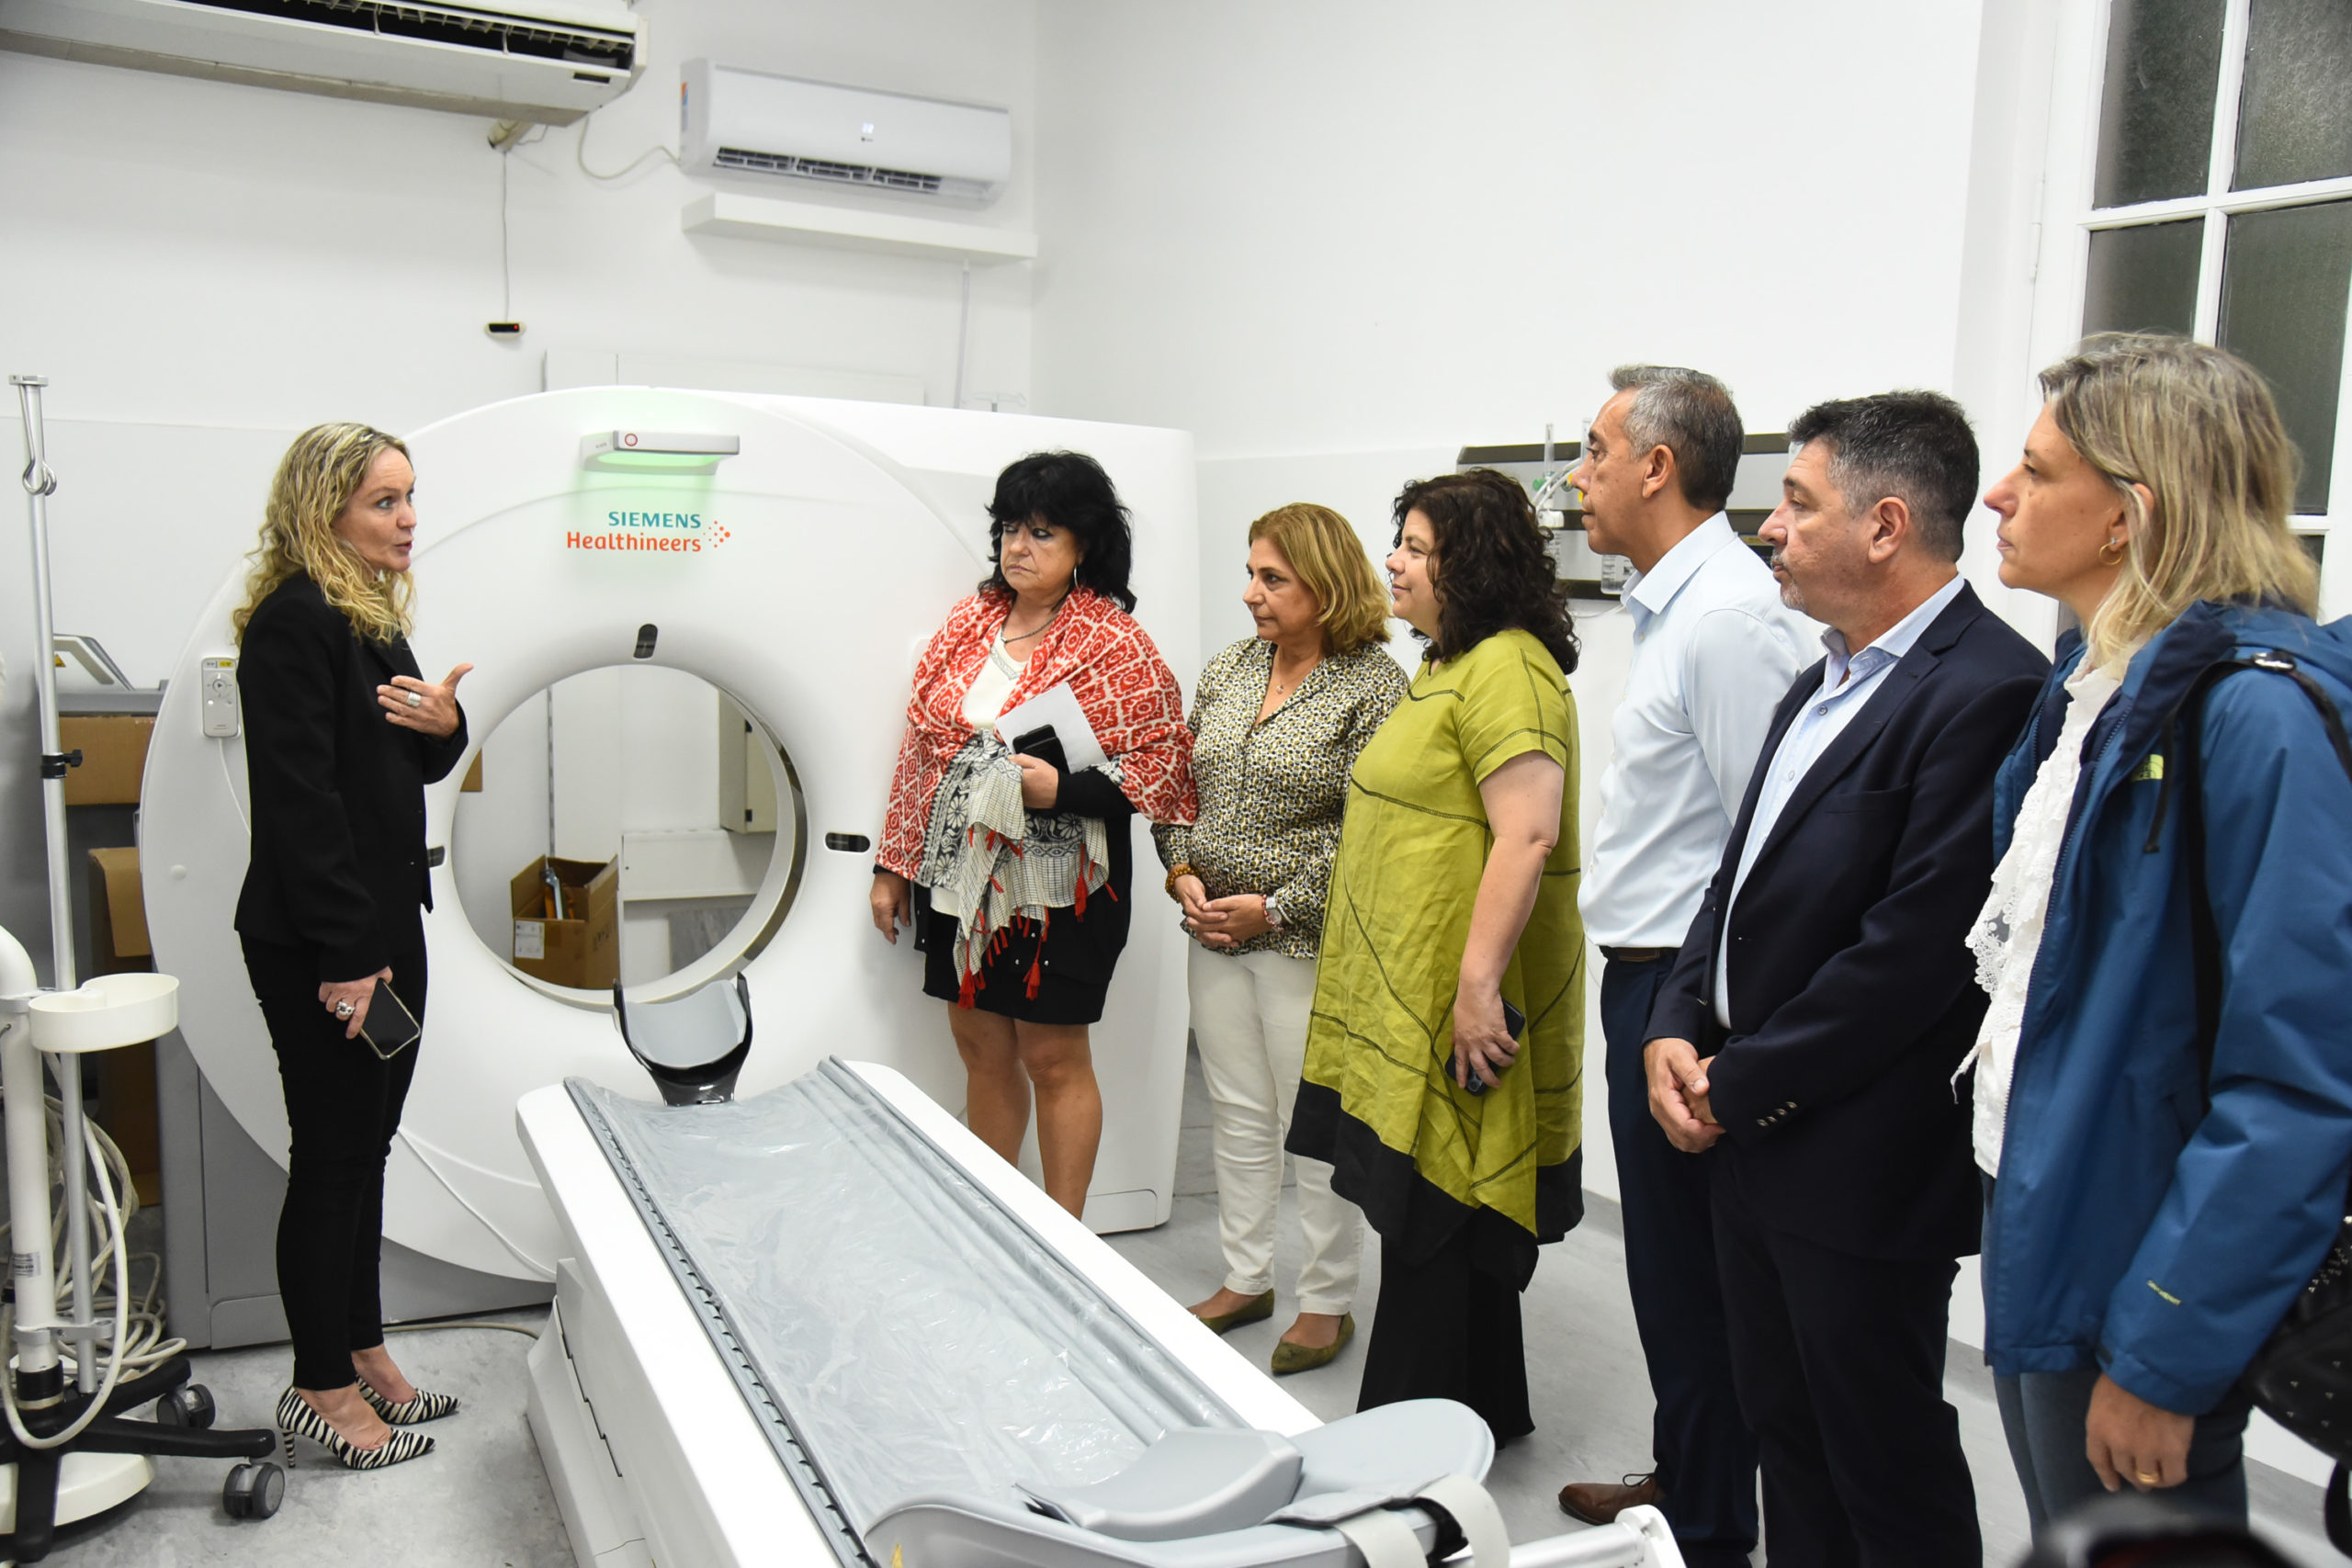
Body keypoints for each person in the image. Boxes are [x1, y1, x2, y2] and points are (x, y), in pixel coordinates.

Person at [1645, 391, 2049, 1566]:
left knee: (1881, 1462)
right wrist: (1677, 1018)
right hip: (1751, 1131)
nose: (1769, 528)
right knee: (1787, 1438)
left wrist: (1734, 1083)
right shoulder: (1820, 676)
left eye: (1797, 503)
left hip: (1857, 1157)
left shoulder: (1988, 690)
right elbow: (1735, 877)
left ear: (1883, 526)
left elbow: (1911, 955)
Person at [1972, 334, 2352, 1532]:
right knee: (2067, 1532)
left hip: (2141, 1252)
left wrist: (2166, 1348)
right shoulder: (2093, 688)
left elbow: (2297, 1080)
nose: (1997, 494)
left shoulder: (2251, 718)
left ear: (2128, 514)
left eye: (2036, 472)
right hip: (2051, 1198)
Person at [1555, 367, 1809, 1563]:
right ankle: (1688, 1476)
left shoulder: (1727, 619)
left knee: (1692, 1273)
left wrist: (1698, 1010)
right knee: (1665, 1266)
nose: (1577, 476)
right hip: (1647, 971)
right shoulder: (1667, 607)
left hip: (1688, 985)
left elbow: (1770, 840)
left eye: (1595, 451)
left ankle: (1708, 1527)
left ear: (1657, 466)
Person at [1287, 468, 1584, 1441]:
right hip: (1410, 989)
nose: (1394, 563)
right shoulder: (1449, 664)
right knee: (1437, 1210)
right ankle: (1484, 1404)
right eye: (1401, 543)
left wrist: (1476, 990)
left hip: (1457, 994)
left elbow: (1527, 835)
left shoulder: (1509, 669)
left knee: (1437, 1207)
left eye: (1416, 548)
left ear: (1474, 564)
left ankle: (1400, 1447)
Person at [233, 423, 473, 1470]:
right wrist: (346, 954)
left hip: (384, 926)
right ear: (323, 507)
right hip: (326, 942)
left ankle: (364, 1349)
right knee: (332, 1158)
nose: (408, 518)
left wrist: (447, 726)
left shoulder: (368, 616)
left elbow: (410, 761)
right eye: (384, 500)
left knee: (368, 1151)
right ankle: (320, 1385)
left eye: (410, 497)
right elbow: (301, 805)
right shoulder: (294, 623)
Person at [872, 451, 1195, 1219]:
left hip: (1063, 887)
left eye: (1043, 532)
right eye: (1011, 528)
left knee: (1052, 1055)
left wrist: (1065, 790)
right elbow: (921, 754)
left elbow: (1164, 767)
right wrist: (893, 865)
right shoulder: (968, 624)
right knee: (980, 1046)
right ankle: (997, 1223)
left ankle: (1063, 1237)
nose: (1019, 546)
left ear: (1085, 543)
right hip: (961, 874)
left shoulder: (1114, 642)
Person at [1155, 503, 1406, 1374]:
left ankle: (1326, 1300)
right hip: (1213, 931)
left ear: (1325, 585)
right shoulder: (1230, 668)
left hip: (1306, 942)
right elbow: (1179, 785)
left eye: (1273, 578)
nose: (1251, 593)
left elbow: (1373, 830)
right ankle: (1246, 1277)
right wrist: (1181, 869)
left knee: (1314, 1123)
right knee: (1236, 1108)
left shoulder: (1374, 687)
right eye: (1251, 574)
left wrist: (1277, 907)